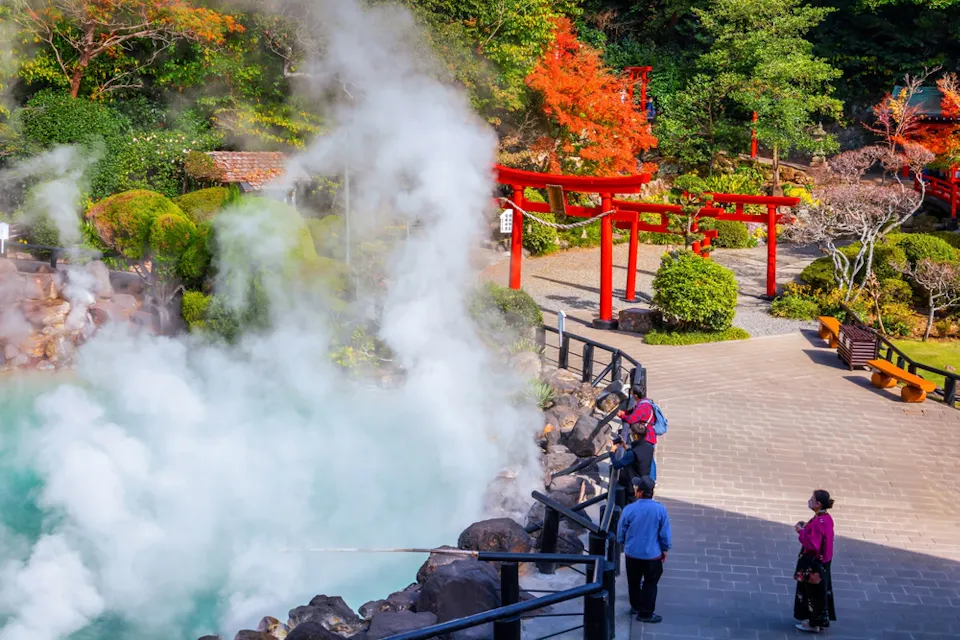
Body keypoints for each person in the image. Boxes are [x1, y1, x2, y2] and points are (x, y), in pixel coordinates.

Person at [617, 476, 671, 624]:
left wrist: (622, 542)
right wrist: (665, 549)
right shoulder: (660, 509)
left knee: (633, 582)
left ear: (640, 492)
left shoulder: (629, 509)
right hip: (652, 555)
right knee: (650, 583)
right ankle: (646, 613)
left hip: (632, 553)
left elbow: (621, 530)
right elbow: (664, 533)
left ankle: (635, 606)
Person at [793, 489, 837, 634]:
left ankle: (813, 623)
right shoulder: (826, 518)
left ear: (818, 503)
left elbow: (813, 545)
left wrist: (801, 531)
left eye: (812, 499)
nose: (810, 500)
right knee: (821, 593)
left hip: (814, 564)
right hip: (825, 562)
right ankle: (820, 621)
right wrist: (808, 527)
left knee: (812, 593)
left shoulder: (818, 521)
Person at [611, 386, 658, 502]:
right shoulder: (645, 403)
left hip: (634, 485)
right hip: (649, 437)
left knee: (649, 462)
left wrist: (612, 452)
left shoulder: (642, 406)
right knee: (649, 460)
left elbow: (632, 419)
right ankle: (651, 482)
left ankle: (651, 481)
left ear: (636, 395)